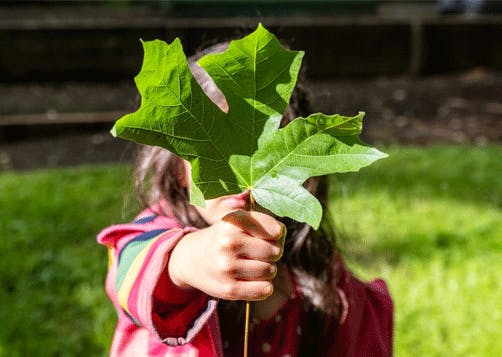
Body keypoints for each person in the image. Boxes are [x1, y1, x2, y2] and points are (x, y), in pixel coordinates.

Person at [97, 41, 393, 357]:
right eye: (216, 153)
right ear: (179, 170)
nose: (241, 172)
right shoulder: (154, 235)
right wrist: (185, 262)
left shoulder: (321, 276)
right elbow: (130, 273)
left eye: (263, 153)